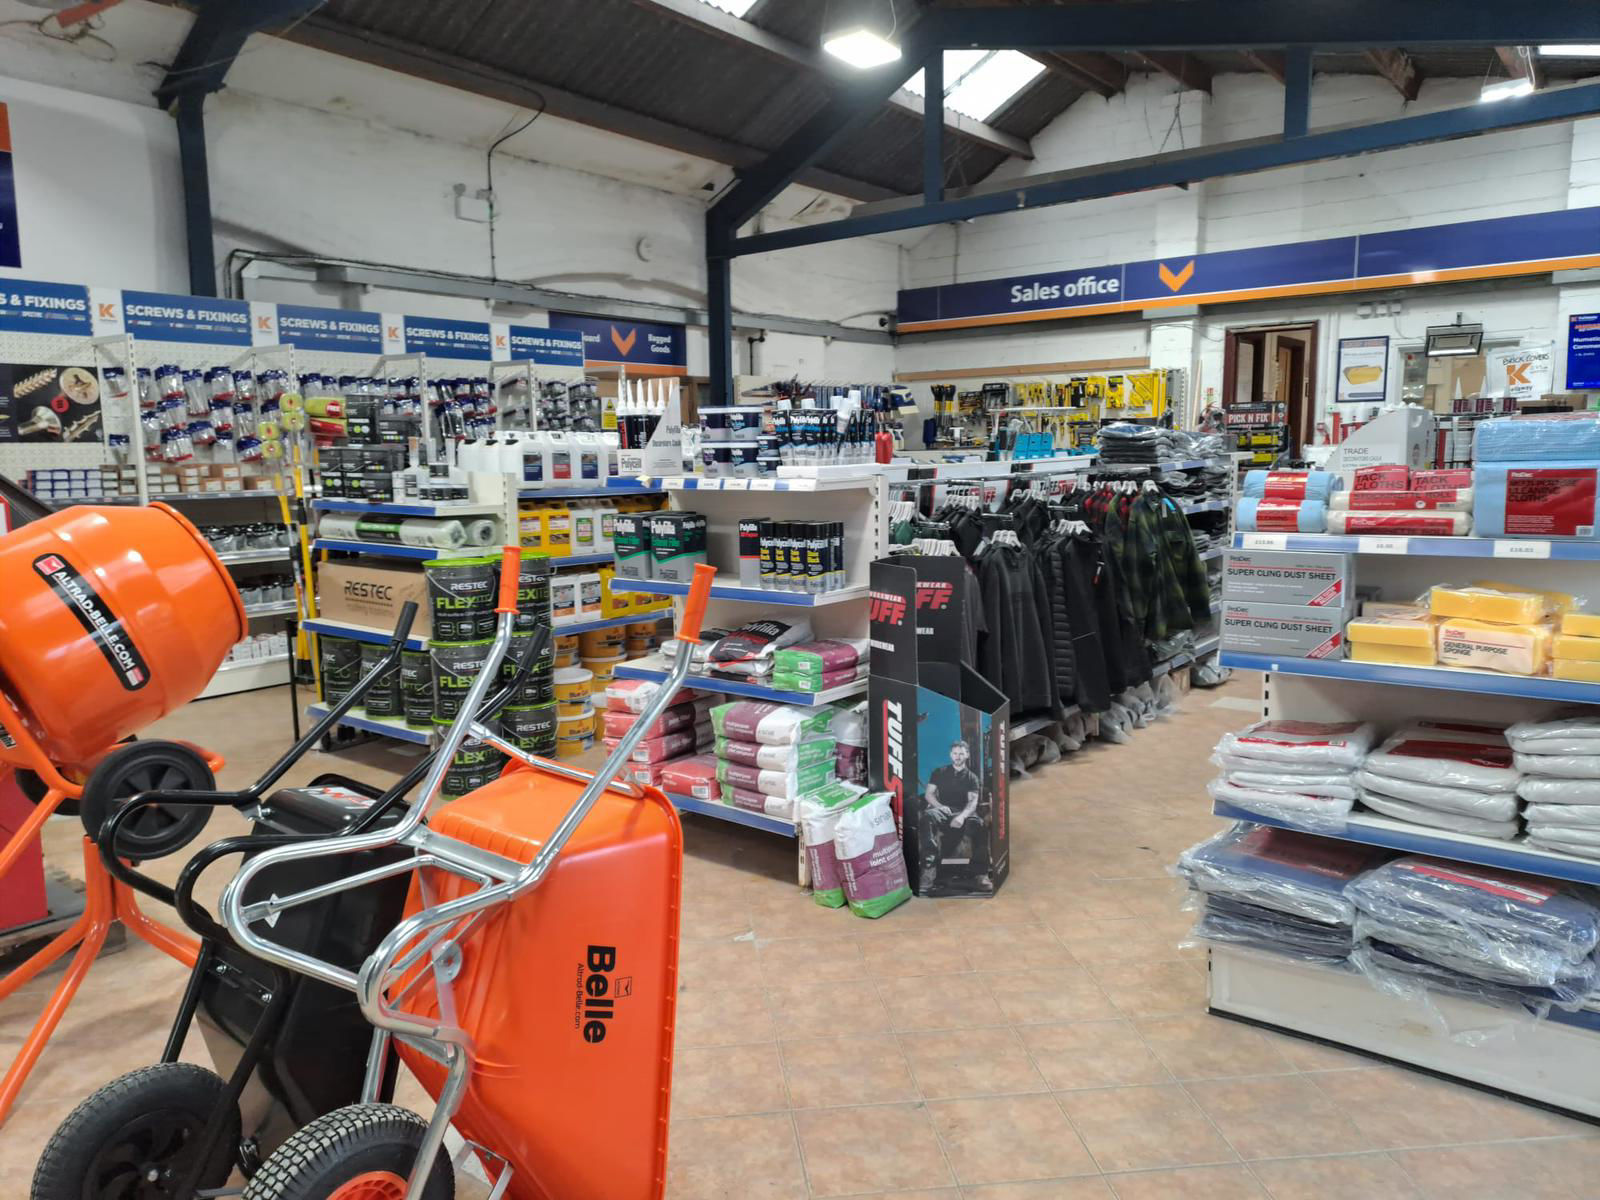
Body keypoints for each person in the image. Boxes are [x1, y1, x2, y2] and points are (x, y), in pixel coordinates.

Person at [922, 738, 986, 891]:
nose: (958, 756)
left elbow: (972, 803)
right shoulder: (939, 772)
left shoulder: (972, 778)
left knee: (979, 825)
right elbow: (929, 794)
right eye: (955, 753)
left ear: (967, 755)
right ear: (951, 755)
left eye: (961, 754)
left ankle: (981, 874)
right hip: (944, 810)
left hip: (964, 812)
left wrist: (961, 817)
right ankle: (929, 870)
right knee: (927, 817)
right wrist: (940, 807)